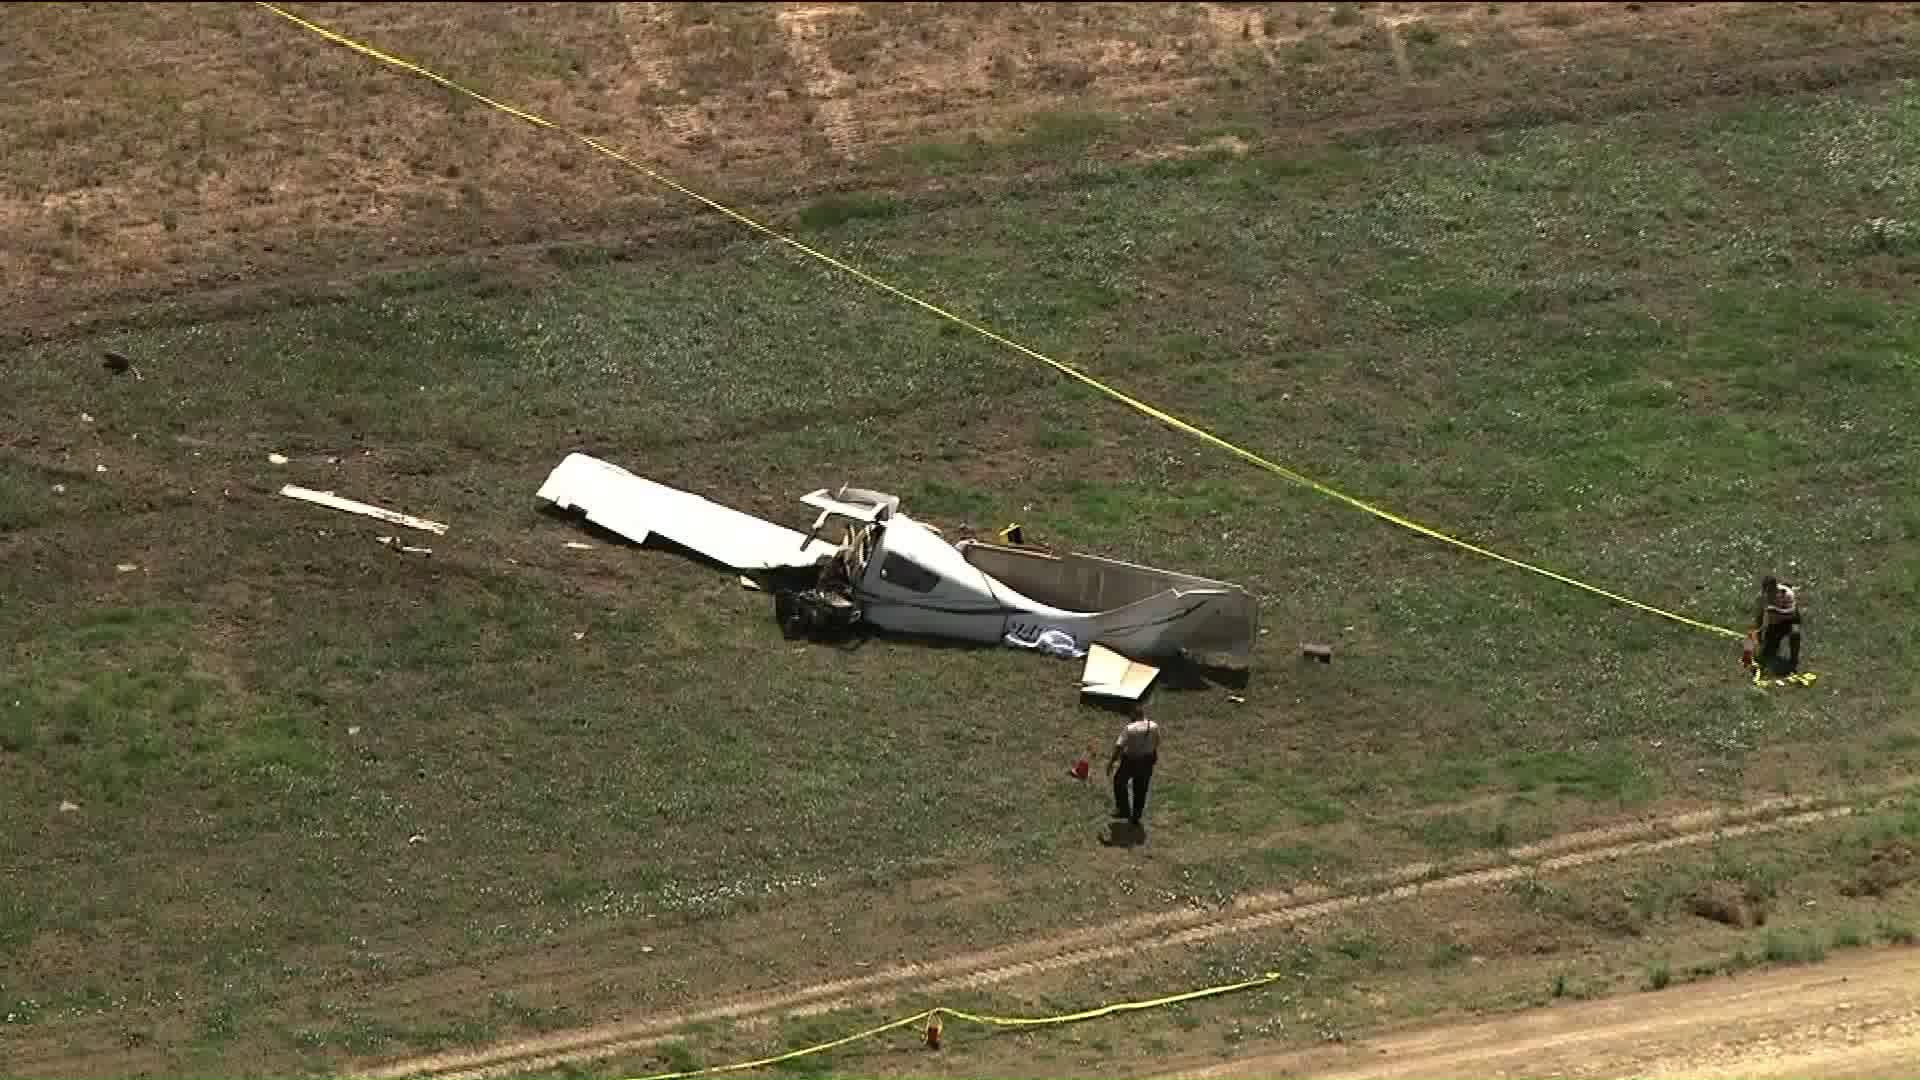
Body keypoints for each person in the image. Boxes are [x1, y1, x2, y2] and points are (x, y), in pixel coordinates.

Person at [1107, 703, 1161, 827]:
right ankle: (1136, 817)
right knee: (1141, 789)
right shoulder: (1154, 726)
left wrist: (1111, 762)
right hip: (1147, 761)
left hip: (1130, 761)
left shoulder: (1130, 728)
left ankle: (1123, 809)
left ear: (1133, 714)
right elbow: (1157, 742)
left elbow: (1119, 746)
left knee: (1119, 781)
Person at [1753, 575, 1803, 675]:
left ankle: (1794, 659)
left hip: (1791, 620)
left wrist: (1776, 612)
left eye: (1771, 591)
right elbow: (1759, 615)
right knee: (1766, 654)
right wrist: (1759, 633)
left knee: (1795, 633)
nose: (1769, 595)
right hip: (1775, 624)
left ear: (1775, 588)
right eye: (1766, 592)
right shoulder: (1761, 597)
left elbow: (1792, 614)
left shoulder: (1787, 595)